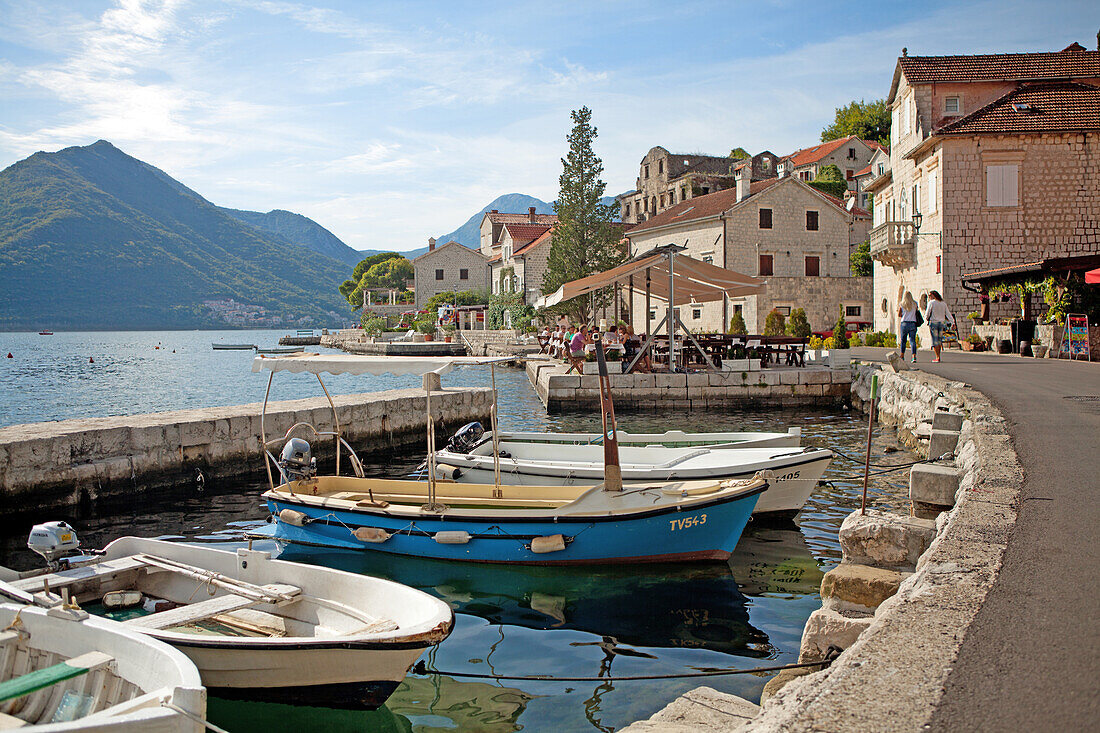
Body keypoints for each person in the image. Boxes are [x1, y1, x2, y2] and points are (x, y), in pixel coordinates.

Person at [925, 290, 955, 363]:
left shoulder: (931, 303)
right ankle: (938, 356)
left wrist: (926, 318)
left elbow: (927, 313)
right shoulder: (943, 303)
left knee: (935, 340)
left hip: (934, 323)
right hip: (941, 323)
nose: (929, 297)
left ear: (933, 295)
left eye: (930, 295)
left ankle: (937, 357)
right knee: (939, 340)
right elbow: (947, 313)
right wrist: (952, 322)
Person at [897, 291, 919, 363]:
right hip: (913, 323)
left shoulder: (902, 304)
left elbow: (899, 314)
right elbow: (916, 312)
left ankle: (902, 355)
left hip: (904, 323)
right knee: (912, 340)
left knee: (903, 340)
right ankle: (913, 356)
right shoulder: (915, 304)